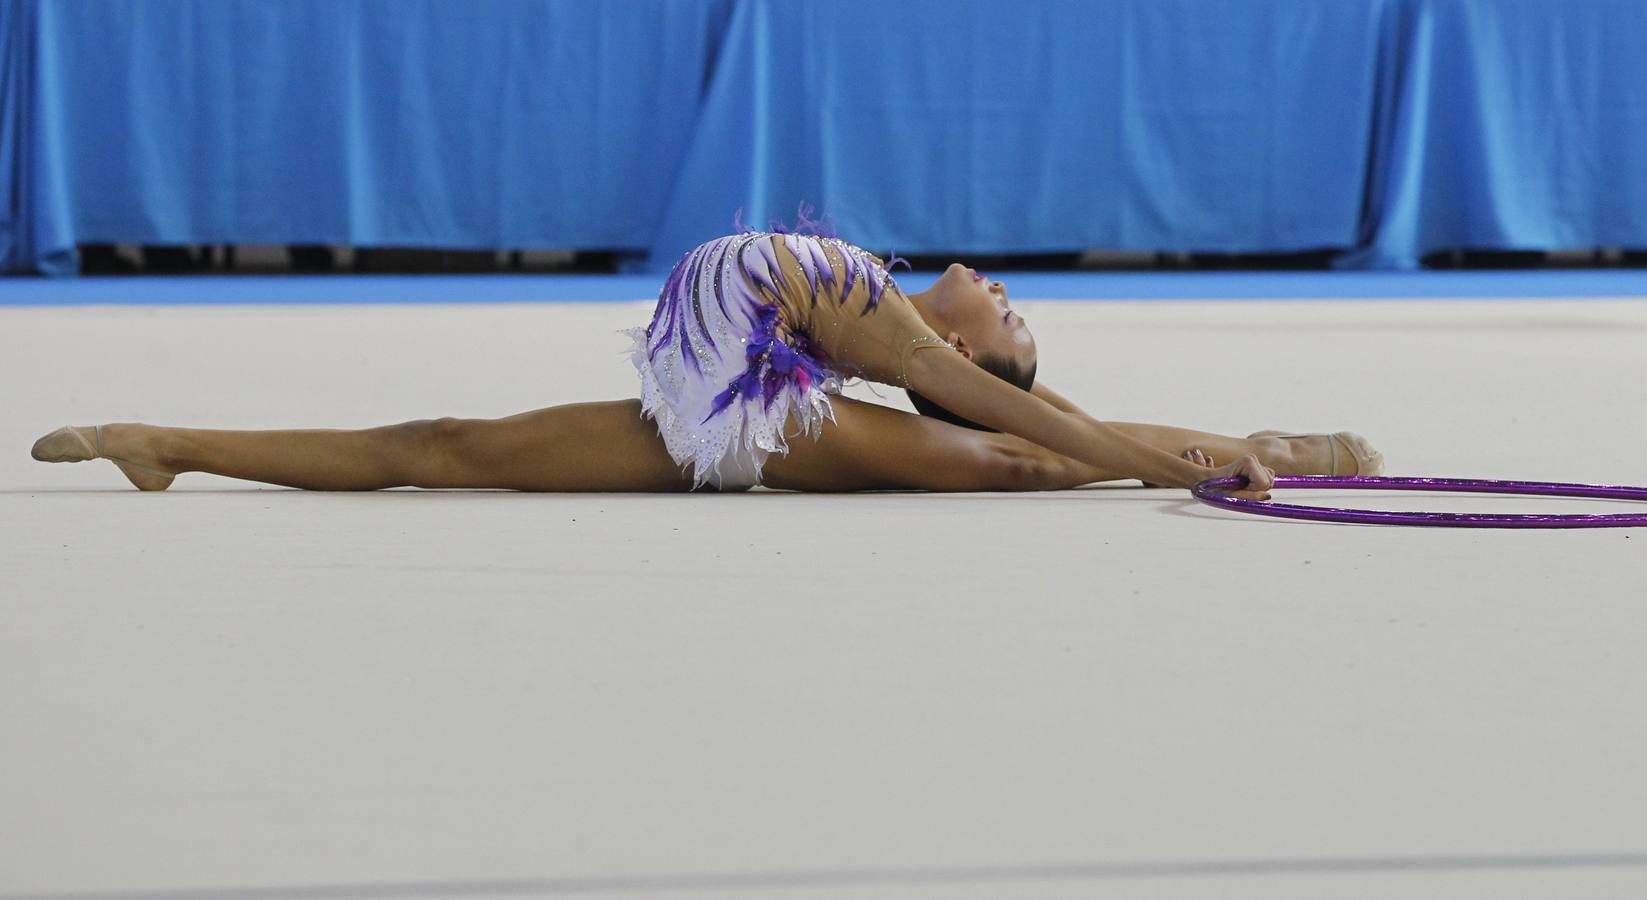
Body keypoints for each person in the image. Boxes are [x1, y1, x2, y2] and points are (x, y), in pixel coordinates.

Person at [31, 227, 1381, 498]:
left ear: (957, 347)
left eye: (1009, 321)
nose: (1008, 294)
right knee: (439, 445)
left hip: (752, 418)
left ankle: (1255, 457)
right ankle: (167, 442)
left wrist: (1223, 462)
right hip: (710, 405)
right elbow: (1063, 413)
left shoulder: (888, 327)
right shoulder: (867, 303)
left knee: (1023, 453)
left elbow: (1059, 428)